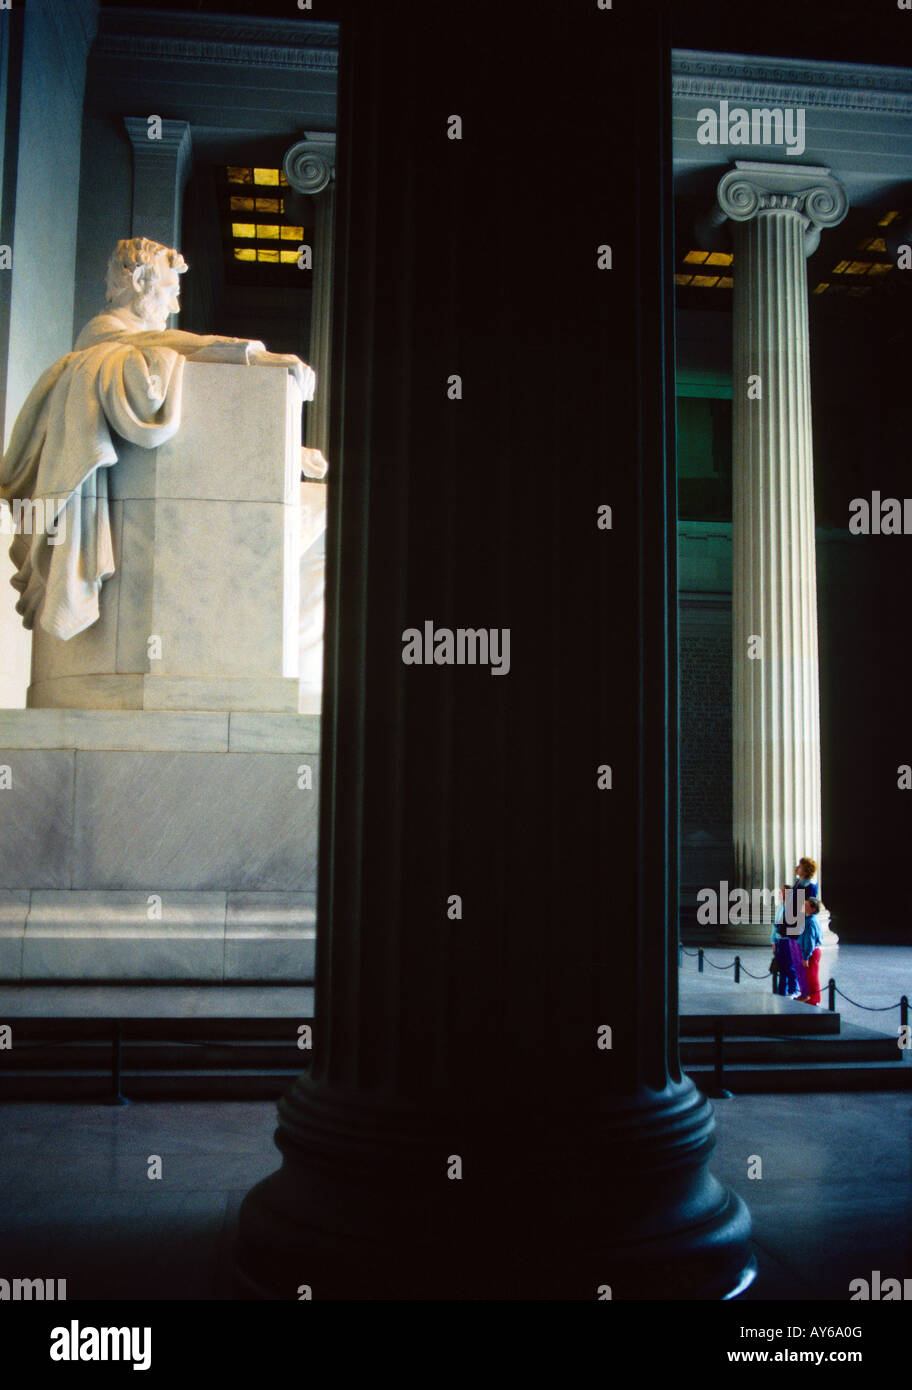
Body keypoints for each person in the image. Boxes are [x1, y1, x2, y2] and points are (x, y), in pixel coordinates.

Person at [1, 237, 315, 639]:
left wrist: (286, 449)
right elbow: (165, 344)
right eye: (170, 291)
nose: (176, 306)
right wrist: (253, 355)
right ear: (138, 282)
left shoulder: (135, 349)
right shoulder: (107, 340)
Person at [797, 897, 824, 1006]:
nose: (804, 907)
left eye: (806, 905)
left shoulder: (811, 922)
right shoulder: (809, 919)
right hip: (810, 951)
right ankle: (808, 996)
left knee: (812, 976)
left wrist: (806, 957)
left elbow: (810, 941)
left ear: (813, 909)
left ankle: (814, 998)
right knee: (809, 976)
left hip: (811, 952)